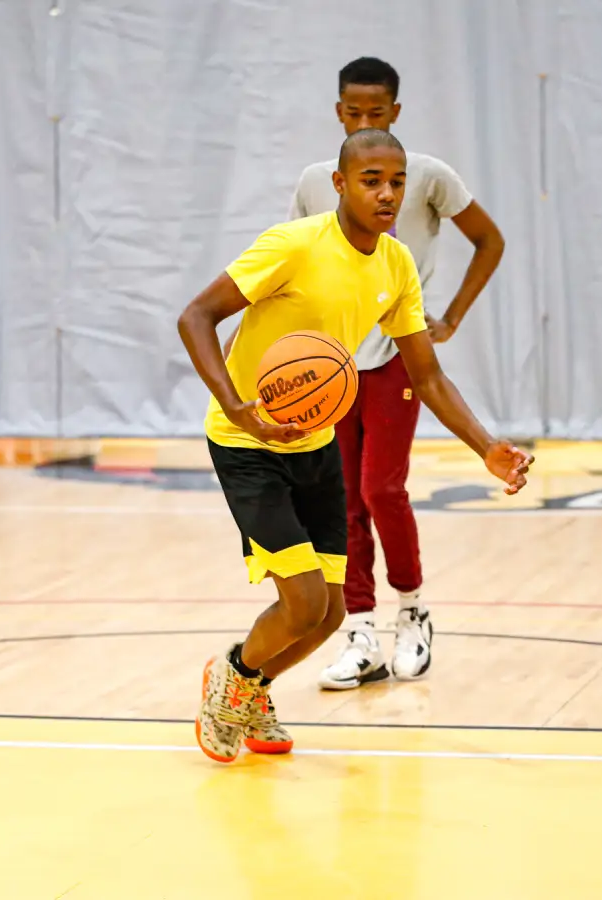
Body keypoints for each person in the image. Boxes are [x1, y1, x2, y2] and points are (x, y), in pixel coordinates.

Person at [178, 128, 533, 763]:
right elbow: (196, 316)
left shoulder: (396, 264)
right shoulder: (293, 245)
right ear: (340, 184)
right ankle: (231, 682)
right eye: (371, 181)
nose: (387, 193)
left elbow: (427, 375)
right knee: (303, 602)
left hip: (315, 441)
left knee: (332, 614)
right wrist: (237, 407)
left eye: (397, 182)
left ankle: (249, 688)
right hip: (248, 442)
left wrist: (485, 447)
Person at [229, 57, 507, 690]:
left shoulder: (426, 176)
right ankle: (359, 629)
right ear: (338, 114)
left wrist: (451, 318)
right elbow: (291, 272)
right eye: (352, 113)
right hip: (329, 364)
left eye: (375, 113)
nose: (363, 121)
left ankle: (412, 611)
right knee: (346, 499)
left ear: (395, 113)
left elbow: (489, 240)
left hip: (397, 355)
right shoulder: (314, 182)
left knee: (383, 488)